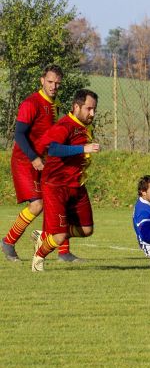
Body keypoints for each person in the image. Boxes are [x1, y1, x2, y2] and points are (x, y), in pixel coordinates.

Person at [2, 64, 81, 263]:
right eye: (50, 82)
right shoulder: (31, 103)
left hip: (45, 162)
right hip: (25, 161)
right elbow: (19, 134)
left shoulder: (55, 104)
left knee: (61, 199)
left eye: (57, 83)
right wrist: (34, 158)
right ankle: (8, 242)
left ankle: (64, 253)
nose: (54, 86)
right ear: (42, 80)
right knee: (37, 205)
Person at [29, 89, 100, 272]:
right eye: (88, 109)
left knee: (87, 230)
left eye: (94, 110)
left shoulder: (84, 125)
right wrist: (84, 148)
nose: (92, 114)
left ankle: (45, 236)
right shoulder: (65, 126)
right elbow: (53, 150)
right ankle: (39, 256)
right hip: (56, 185)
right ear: (76, 107)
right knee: (59, 236)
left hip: (76, 184)